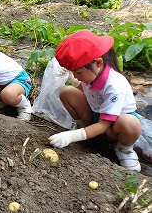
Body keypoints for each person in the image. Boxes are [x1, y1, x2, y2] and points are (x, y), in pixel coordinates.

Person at [49, 30, 142, 172]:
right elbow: (88, 92)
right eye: (73, 72)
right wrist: (72, 79)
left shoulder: (115, 86)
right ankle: (85, 132)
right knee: (66, 92)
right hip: (96, 114)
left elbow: (105, 124)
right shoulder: (93, 74)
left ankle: (125, 149)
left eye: (78, 73)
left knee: (131, 124)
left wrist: (71, 137)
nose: (76, 76)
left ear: (98, 63)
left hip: (113, 125)